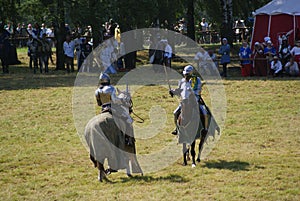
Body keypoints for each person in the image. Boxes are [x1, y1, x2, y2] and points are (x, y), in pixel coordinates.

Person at [169, 65, 208, 135]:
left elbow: (198, 90)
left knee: (204, 112)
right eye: (185, 74)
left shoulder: (197, 80)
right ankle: (177, 129)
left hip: (195, 99)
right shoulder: (182, 81)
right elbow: (179, 90)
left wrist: (191, 93)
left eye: (187, 74)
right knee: (175, 113)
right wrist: (173, 91)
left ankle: (205, 129)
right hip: (184, 101)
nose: (185, 76)